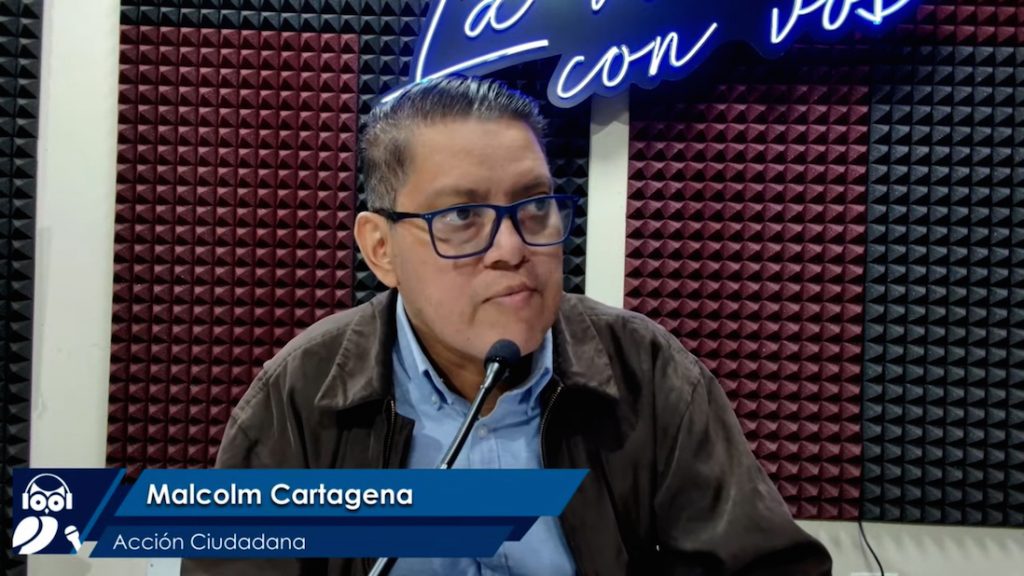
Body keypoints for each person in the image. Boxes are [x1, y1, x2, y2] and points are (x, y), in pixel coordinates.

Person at [182, 75, 832, 576]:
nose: (512, 248)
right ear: (381, 249)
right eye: (462, 217)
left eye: (534, 205)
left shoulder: (648, 373)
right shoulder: (300, 395)